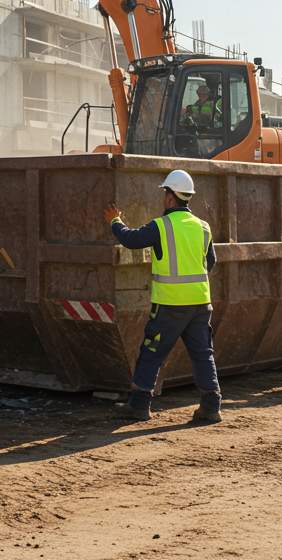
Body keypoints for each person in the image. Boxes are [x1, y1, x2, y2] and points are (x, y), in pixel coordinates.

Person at [104, 169, 222, 423]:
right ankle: (211, 407)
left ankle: (139, 406)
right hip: (201, 303)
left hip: (169, 304)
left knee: (152, 353)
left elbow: (131, 240)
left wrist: (115, 221)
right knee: (203, 354)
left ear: (170, 198)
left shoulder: (162, 226)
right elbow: (210, 262)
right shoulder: (203, 227)